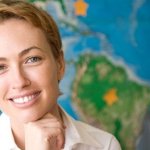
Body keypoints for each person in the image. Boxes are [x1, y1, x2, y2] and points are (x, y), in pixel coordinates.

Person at [0, 0, 121, 150]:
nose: (19, 82)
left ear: (60, 64)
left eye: (32, 59)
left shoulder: (104, 146)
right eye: (1, 67)